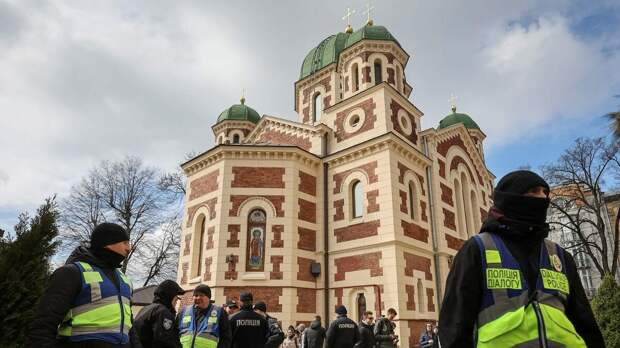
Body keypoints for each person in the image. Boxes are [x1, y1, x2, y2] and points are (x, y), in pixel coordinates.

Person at [439, 170, 605, 347]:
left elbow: (586, 325)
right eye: (533, 191)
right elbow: (454, 327)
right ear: (510, 198)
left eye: (545, 192)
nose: (542, 197)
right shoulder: (477, 250)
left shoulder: (560, 256)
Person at [28, 222, 142, 347]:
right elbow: (43, 327)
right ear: (108, 243)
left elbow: (129, 325)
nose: (129, 248)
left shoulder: (124, 279)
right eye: (125, 242)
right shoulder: (72, 273)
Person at [134, 280, 185, 348]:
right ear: (169, 297)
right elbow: (165, 341)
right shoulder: (163, 312)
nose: (176, 303)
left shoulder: (146, 309)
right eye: (176, 299)